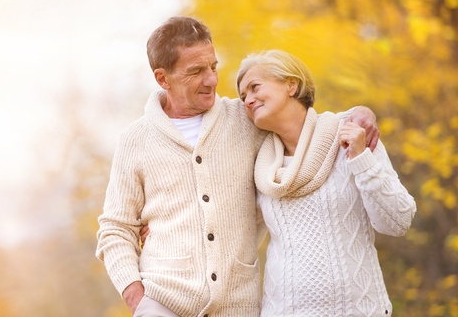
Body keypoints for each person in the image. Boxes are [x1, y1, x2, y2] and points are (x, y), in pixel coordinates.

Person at [95, 16, 379, 317]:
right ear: (163, 79)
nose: (212, 80)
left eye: (213, 67)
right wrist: (136, 295)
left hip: (238, 306)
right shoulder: (135, 140)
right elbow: (115, 228)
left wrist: (359, 113)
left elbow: (304, 124)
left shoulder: (245, 119)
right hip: (162, 302)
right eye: (196, 71)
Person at [236, 49, 416, 316]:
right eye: (243, 96)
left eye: (255, 87)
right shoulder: (260, 166)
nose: (248, 100)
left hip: (359, 310)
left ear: (291, 85)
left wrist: (360, 159)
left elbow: (398, 221)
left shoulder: (350, 134)